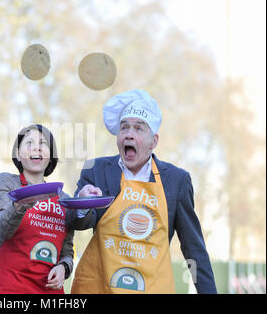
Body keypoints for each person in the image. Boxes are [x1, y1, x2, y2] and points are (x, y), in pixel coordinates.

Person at [70, 89, 217, 294]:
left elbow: (193, 248)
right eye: (124, 128)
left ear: (154, 141)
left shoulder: (176, 180)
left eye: (139, 128)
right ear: (118, 136)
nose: (129, 133)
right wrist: (82, 203)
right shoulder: (95, 170)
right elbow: (78, 223)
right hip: (100, 287)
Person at [0, 124, 74, 294]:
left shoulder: (65, 200)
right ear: (18, 153)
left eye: (43, 143)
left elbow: (67, 250)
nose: (37, 148)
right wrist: (19, 204)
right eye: (29, 143)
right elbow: (2, 231)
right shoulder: (6, 184)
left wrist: (63, 267)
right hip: (8, 288)